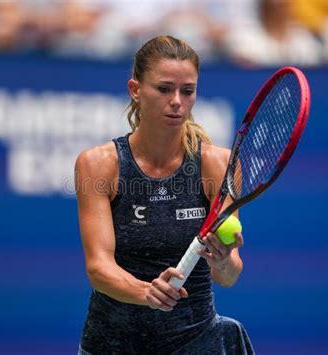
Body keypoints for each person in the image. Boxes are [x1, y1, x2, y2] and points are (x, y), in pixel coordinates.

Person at [75, 35, 254, 354]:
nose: (177, 101)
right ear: (135, 90)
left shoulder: (218, 165)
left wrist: (224, 260)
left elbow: (228, 276)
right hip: (112, 346)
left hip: (197, 344)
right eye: (164, 89)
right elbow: (99, 269)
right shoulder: (99, 165)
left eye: (187, 91)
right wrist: (146, 292)